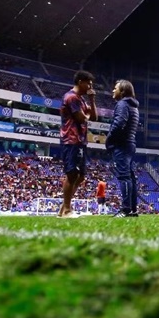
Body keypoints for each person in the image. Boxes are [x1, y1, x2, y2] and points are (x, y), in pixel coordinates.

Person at [59, 70, 97, 218]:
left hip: (80, 140)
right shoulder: (71, 97)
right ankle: (67, 211)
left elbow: (93, 118)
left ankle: (63, 210)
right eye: (89, 84)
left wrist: (92, 100)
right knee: (72, 174)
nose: (90, 87)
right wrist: (87, 114)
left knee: (80, 176)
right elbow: (81, 118)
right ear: (80, 82)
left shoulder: (81, 100)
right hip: (71, 139)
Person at [105, 79, 140, 217]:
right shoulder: (133, 106)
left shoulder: (122, 104)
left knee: (124, 177)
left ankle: (126, 210)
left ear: (123, 91)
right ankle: (132, 209)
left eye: (116, 88)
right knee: (130, 177)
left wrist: (109, 138)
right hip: (130, 144)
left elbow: (119, 123)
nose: (113, 90)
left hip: (121, 144)